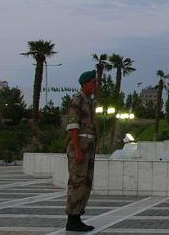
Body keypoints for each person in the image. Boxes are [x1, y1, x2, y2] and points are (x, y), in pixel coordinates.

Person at [65, 70, 98, 231]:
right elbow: (73, 127)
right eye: (94, 82)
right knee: (77, 182)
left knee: (86, 182)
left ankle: (77, 216)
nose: (96, 85)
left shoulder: (88, 101)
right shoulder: (77, 100)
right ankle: (72, 219)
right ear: (85, 84)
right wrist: (78, 149)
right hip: (81, 146)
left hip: (88, 146)